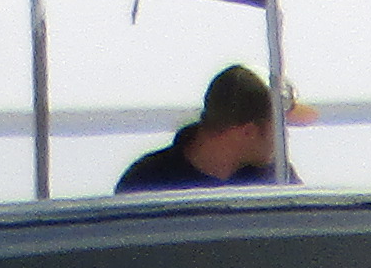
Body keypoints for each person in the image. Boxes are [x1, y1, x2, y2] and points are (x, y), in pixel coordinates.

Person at [116, 64, 280, 192]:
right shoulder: (145, 183)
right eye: (278, 126)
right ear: (248, 132)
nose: (284, 136)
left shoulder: (278, 180)